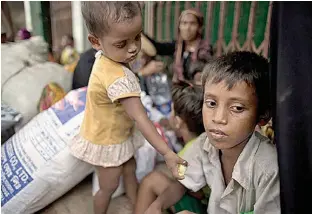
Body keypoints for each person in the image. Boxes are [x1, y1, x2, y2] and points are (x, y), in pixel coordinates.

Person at [68, 2, 186, 214]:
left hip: (116, 132)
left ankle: (136, 204)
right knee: (108, 186)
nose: (133, 48)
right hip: (107, 139)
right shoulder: (119, 78)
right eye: (122, 43)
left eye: (137, 37)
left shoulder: (108, 55)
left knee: (130, 168)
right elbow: (142, 119)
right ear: (96, 42)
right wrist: (168, 153)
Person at [145, 51, 280, 214]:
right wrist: (157, 206)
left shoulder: (269, 169)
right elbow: (183, 184)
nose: (218, 118)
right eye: (211, 103)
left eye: (237, 108)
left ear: (263, 116)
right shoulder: (205, 144)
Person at [134, 81, 209, 214]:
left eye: (171, 111)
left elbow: (195, 191)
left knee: (151, 180)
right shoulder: (204, 142)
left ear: (178, 121)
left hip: (202, 207)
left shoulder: (187, 155)